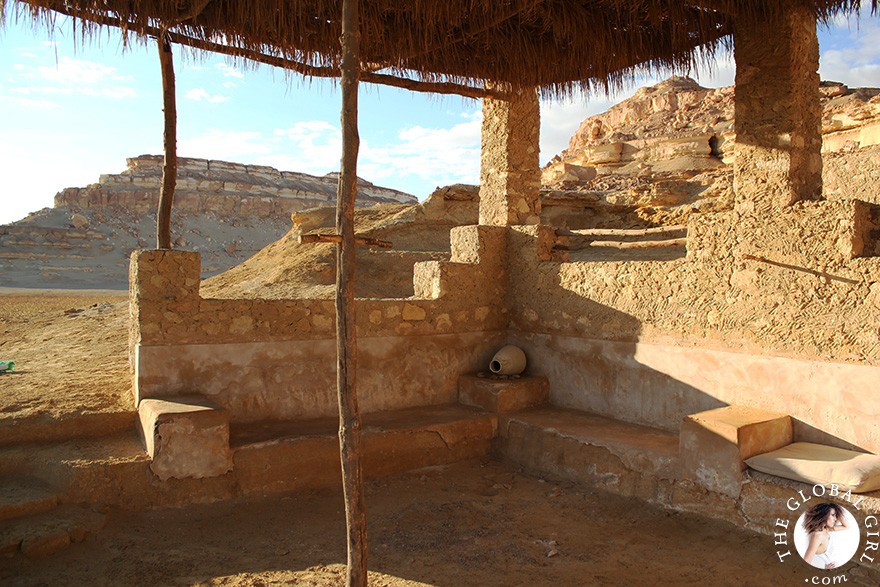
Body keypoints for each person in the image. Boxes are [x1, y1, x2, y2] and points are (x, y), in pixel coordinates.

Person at [802, 502, 850, 569]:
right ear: (824, 515)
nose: (835, 519)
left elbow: (847, 526)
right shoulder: (817, 535)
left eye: (836, 516)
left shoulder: (825, 529)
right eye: (833, 515)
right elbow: (805, 563)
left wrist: (839, 513)